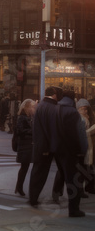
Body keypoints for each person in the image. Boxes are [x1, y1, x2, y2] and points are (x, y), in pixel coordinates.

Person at [29, 87, 86, 217]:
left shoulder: (43, 106)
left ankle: (37, 197)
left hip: (46, 145)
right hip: (52, 146)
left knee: (40, 172)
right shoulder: (51, 107)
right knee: (65, 175)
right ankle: (70, 206)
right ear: (54, 95)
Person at [12, 99, 36, 197]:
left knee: (25, 167)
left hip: (28, 144)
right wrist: (32, 131)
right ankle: (19, 187)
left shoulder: (29, 116)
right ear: (26, 107)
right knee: (24, 167)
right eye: (32, 107)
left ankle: (19, 187)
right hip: (24, 144)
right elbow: (20, 130)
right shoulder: (22, 117)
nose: (33, 108)